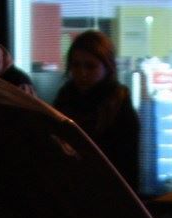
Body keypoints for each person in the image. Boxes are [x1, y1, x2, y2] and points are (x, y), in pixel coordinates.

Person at [54, 30, 140, 190]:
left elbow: (126, 166)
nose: (82, 73)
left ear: (107, 67)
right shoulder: (65, 98)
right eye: (76, 65)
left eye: (90, 66)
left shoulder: (118, 105)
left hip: (106, 190)